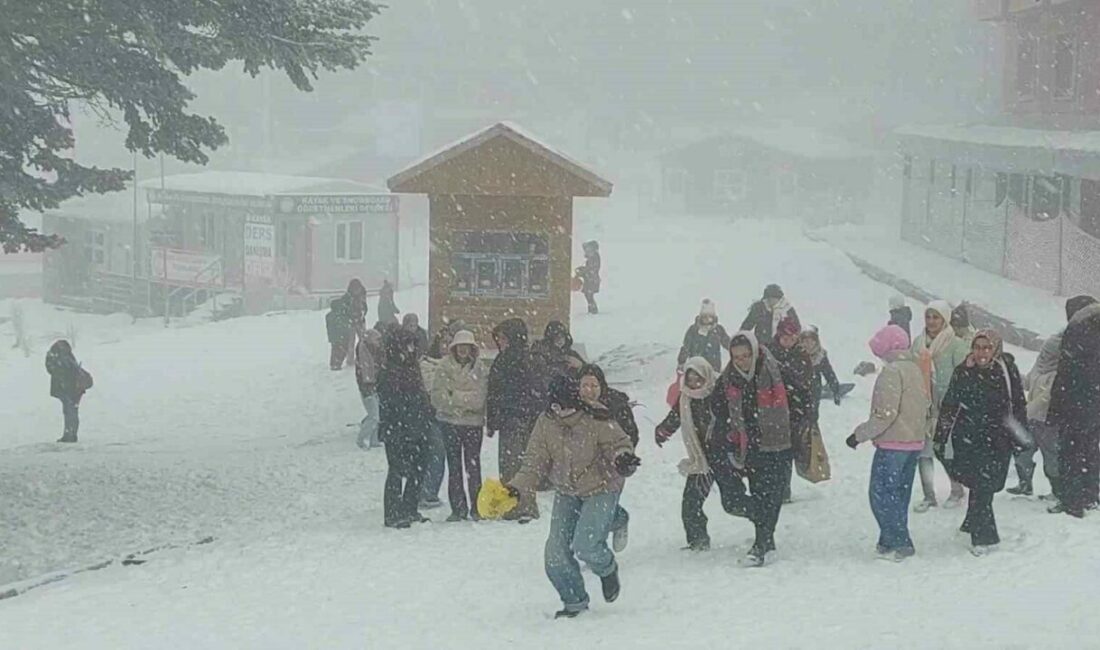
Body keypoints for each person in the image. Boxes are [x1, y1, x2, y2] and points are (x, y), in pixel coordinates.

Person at [504, 375, 640, 619]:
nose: (560, 410)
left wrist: (623, 459)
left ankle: (607, 569)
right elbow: (534, 463)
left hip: (601, 486)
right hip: (567, 491)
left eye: (565, 404)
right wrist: (516, 488)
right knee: (555, 555)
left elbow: (619, 443)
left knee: (586, 545)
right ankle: (574, 601)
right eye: (555, 404)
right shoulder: (546, 422)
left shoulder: (596, 416)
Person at [934, 330, 1027, 555]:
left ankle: (977, 530)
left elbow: (1017, 402)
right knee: (979, 484)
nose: (981, 352)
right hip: (969, 439)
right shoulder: (963, 371)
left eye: (986, 347)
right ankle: (980, 533)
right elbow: (950, 404)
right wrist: (941, 434)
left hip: (998, 439)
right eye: (977, 347)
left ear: (994, 348)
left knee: (986, 485)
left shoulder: (1004, 370)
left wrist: (1020, 434)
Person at [845, 325, 930, 561]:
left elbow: (885, 414)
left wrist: (858, 435)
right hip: (913, 442)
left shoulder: (892, 372)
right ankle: (887, 540)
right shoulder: (914, 368)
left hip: (893, 444)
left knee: (880, 494)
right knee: (899, 495)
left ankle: (900, 542)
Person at [713, 332, 792, 567]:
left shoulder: (774, 370)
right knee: (760, 494)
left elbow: (801, 394)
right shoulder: (728, 379)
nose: (742, 361)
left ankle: (763, 541)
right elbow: (717, 408)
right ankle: (764, 539)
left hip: (780, 443)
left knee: (774, 494)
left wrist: (795, 425)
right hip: (752, 447)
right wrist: (730, 431)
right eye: (736, 357)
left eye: (746, 355)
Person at [656, 356, 748, 551]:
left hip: (724, 458)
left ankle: (763, 518)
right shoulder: (685, 397)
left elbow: (736, 415)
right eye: (690, 380)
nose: (695, 383)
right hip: (702, 460)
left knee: (734, 503)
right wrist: (662, 431)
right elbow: (675, 417)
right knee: (691, 503)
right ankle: (698, 540)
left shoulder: (719, 391)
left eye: (698, 379)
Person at [1014, 296, 1097, 507]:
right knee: (1081, 451)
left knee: (1063, 452)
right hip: (1073, 402)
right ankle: (1082, 494)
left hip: (1060, 402)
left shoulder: (1074, 334)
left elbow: (1068, 374)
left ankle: (1069, 496)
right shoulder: (1083, 334)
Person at [911, 300, 970, 512]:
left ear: (944, 319)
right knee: (923, 452)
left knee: (946, 451)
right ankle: (929, 495)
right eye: (928, 316)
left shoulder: (955, 344)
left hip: (947, 408)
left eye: (936, 317)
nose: (931, 321)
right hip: (923, 406)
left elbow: (965, 378)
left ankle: (957, 489)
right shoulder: (918, 344)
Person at [1048, 295, 1100, 518]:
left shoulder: (1076, 331)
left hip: (1075, 404)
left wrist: (1055, 406)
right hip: (1095, 404)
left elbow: (1066, 372)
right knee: (1091, 450)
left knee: (1070, 452)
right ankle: (1091, 495)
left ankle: (1072, 501)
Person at [578, 364, 639, 552]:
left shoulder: (615, 405)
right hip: (581, 468)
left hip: (611, 469)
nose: (589, 391)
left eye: (594, 386)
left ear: (601, 386)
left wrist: (620, 457)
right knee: (583, 508)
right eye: (585, 386)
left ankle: (597, 547)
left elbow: (630, 435)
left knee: (601, 510)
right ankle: (616, 519)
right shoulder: (572, 405)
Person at [430, 330, 488, 522]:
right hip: (450, 424)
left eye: (467, 346)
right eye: (460, 346)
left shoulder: (480, 368)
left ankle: (477, 507)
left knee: (473, 467)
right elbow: (438, 397)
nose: (463, 350)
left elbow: (481, 398)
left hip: (473, 424)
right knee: (454, 467)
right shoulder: (443, 367)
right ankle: (458, 508)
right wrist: (466, 399)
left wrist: (456, 395)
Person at [487, 318, 541, 522]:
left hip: (511, 420)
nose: (499, 341)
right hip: (530, 420)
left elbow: (494, 394)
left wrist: (492, 422)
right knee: (527, 465)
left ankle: (515, 505)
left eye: (501, 338)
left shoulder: (503, 361)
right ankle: (527, 504)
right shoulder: (532, 359)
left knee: (511, 464)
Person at [378, 329, 433, 528]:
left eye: (412, 345)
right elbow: (392, 403)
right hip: (398, 430)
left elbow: (420, 396)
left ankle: (409, 508)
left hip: (417, 427)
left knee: (418, 470)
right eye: (407, 345)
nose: (410, 349)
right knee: (397, 471)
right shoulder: (389, 371)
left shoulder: (412, 367)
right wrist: (404, 425)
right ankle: (392, 513)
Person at [770, 316, 814, 503]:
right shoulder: (769, 353)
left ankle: (784, 489)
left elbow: (808, 385)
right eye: (784, 337)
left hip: (794, 411)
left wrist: (810, 409)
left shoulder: (801, 356)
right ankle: (771, 487)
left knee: (787, 452)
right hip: (771, 410)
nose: (788, 341)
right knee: (770, 451)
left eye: (792, 337)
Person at [45, 340, 91, 443]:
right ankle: (71, 434)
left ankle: (69, 434)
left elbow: (52, 370)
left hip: (68, 388)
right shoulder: (68, 357)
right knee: (72, 411)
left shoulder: (57, 358)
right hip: (74, 388)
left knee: (69, 411)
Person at [531, 320, 585, 405]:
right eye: (556, 337)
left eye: (562, 336)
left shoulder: (571, 354)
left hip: (573, 398)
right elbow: (542, 374)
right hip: (548, 398)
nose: (560, 340)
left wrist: (580, 365)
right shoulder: (540, 354)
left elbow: (589, 374)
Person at [677, 299, 732, 373]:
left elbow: (728, 343)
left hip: (714, 368)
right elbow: (686, 347)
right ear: (701, 317)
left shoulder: (718, 330)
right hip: (696, 367)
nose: (707, 319)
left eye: (710, 317)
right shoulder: (693, 330)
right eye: (705, 316)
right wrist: (681, 362)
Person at [354, 326, 384, 450]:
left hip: (371, 386)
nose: (379, 343)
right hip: (368, 388)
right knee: (374, 416)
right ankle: (362, 438)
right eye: (377, 340)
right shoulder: (365, 353)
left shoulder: (370, 351)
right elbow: (366, 374)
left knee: (376, 414)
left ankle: (374, 440)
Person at [799, 326, 843, 405]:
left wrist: (836, 391)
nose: (808, 344)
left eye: (811, 341)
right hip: (798, 393)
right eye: (805, 341)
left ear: (816, 342)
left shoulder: (820, 356)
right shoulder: (796, 355)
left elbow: (829, 373)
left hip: (814, 393)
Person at [326, 297, 352, 371]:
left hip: (334, 337)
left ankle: (334, 363)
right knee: (341, 350)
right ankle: (337, 363)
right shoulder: (342, 316)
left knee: (335, 350)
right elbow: (345, 325)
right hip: (342, 336)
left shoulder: (330, 315)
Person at [577, 240, 601, 314]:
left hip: (592, 279)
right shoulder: (592, 257)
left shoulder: (594, 257)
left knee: (589, 294)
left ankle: (593, 309)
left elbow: (592, 268)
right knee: (588, 294)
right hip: (590, 278)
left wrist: (583, 271)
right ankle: (591, 309)